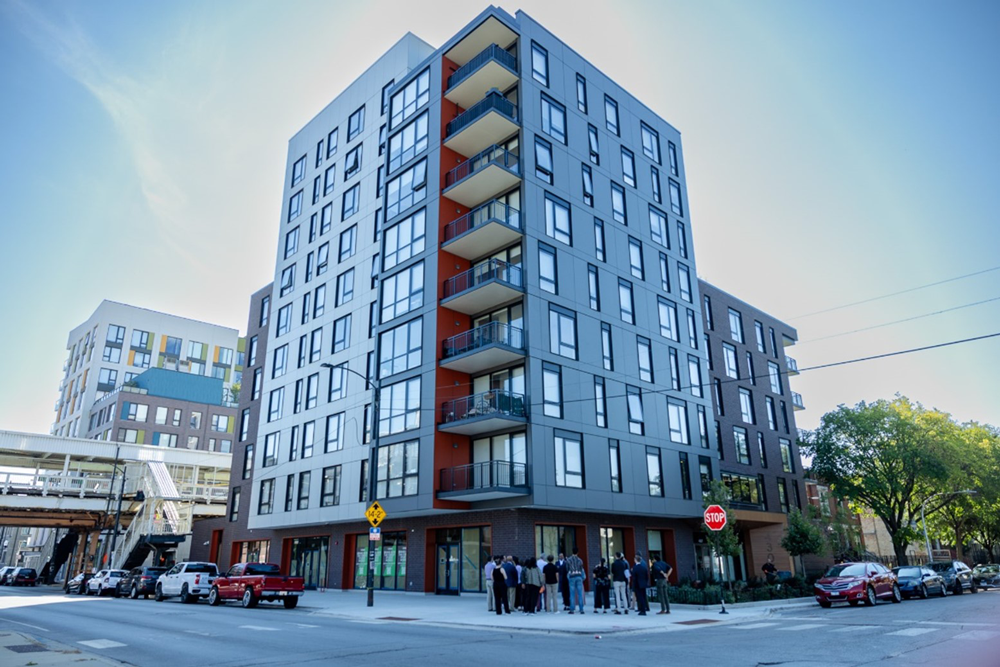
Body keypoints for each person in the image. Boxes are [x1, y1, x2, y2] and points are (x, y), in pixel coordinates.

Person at [566, 547, 586, 614]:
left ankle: (572, 609)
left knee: (572, 594)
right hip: (579, 576)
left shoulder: (568, 560)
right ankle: (581, 609)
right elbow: (581, 569)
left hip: (572, 576)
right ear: (578, 552)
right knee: (580, 593)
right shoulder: (580, 560)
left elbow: (567, 569)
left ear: (572, 551)